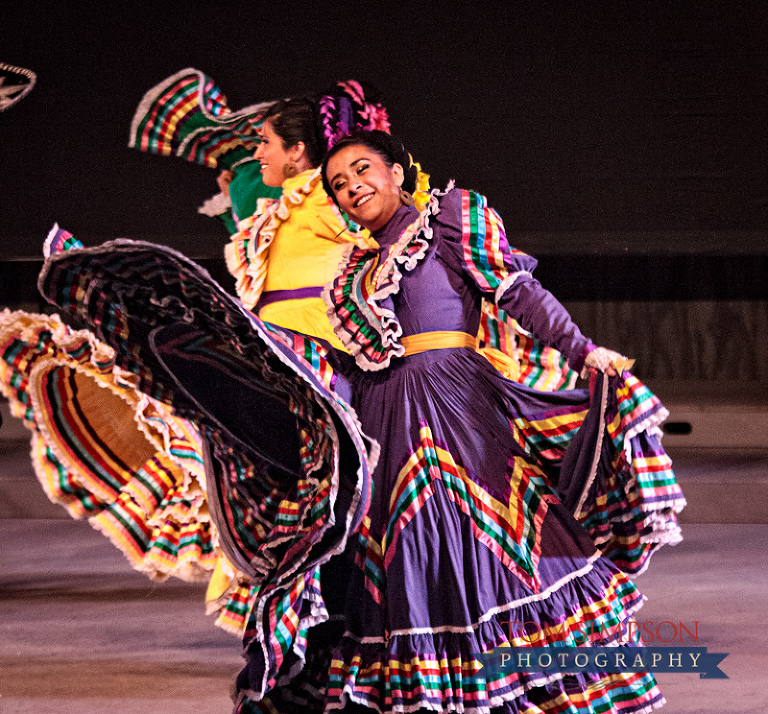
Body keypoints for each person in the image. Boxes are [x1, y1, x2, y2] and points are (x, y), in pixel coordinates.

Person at [35, 128, 683, 712]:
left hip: (457, 410)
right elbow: (347, 361)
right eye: (340, 183)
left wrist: (584, 350)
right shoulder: (351, 276)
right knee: (399, 564)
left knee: (491, 550)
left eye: (364, 170)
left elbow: (518, 291)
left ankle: (511, 687)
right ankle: (439, 697)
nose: (353, 188)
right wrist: (239, 358)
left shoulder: (453, 219)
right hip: (381, 421)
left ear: (398, 171)